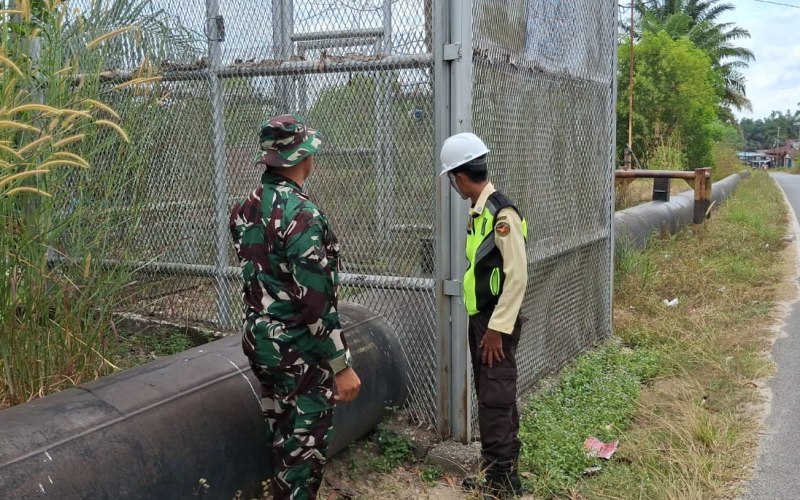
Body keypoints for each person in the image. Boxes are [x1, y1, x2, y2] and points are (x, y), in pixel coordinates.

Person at [230, 114, 362, 500]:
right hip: (297, 349)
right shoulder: (302, 215)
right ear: (303, 157)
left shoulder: (245, 207)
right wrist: (341, 366)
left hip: (259, 340)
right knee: (303, 452)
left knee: (282, 434)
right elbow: (315, 302)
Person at [439, 132, 529, 499]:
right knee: (492, 394)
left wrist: (497, 329)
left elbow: (517, 276)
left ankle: (503, 482)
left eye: (452, 178)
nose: (453, 185)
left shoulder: (500, 215)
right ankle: (498, 470)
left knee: (495, 397)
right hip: (484, 320)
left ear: (460, 177)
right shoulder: (480, 212)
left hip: (495, 323)